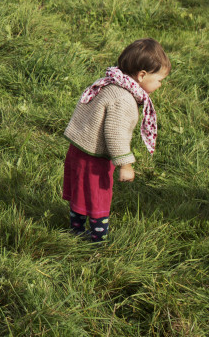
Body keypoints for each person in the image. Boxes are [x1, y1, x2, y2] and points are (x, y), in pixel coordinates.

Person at [62, 39, 171, 242]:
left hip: (79, 147)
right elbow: (115, 134)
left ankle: (75, 230)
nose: (160, 84)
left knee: (80, 190)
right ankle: (97, 239)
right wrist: (125, 164)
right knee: (97, 196)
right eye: (159, 79)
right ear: (142, 75)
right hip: (94, 156)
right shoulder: (124, 99)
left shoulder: (111, 82)